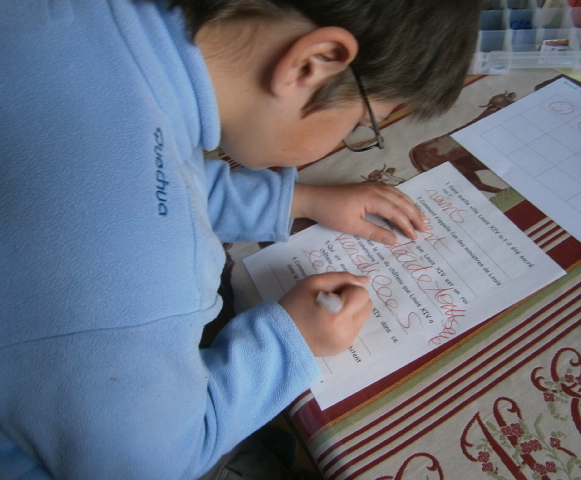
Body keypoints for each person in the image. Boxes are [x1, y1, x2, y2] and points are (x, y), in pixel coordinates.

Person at [0, 0, 481, 478]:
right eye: (359, 125)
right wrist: (292, 341)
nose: (347, 138)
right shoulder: (139, 284)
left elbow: (160, 177)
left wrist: (300, 199)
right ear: (312, 63)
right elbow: (151, 466)